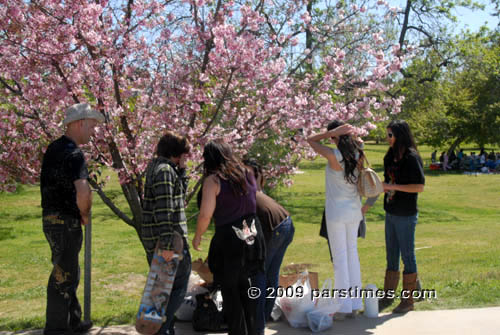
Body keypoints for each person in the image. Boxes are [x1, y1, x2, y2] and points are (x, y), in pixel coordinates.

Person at [40, 103, 104, 335]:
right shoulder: (74, 153)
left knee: (68, 270)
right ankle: (56, 329)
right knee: (63, 274)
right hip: (66, 220)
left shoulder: (54, 148)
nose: (93, 131)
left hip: (50, 219)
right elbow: (83, 190)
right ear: (79, 123)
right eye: (92, 125)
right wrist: (85, 214)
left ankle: (73, 322)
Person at [193, 141, 265, 335]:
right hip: (251, 234)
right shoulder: (246, 173)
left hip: (230, 240)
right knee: (246, 289)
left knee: (230, 292)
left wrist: (198, 236)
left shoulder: (213, 181)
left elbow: (205, 215)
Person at [306, 120, 369, 320]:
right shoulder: (358, 154)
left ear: (334, 137)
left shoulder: (334, 155)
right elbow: (359, 142)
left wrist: (332, 132)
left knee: (341, 259)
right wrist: (344, 134)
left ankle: (344, 306)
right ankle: (355, 303)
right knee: (352, 256)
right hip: (353, 212)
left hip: (337, 214)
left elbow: (309, 140)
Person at [141, 131, 192, 335]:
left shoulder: (161, 168)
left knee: (162, 289)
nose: (186, 158)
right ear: (176, 153)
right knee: (178, 285)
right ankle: (160, 327)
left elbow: (178, 195)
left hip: (162, 240)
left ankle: (164, 328)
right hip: (168, 241)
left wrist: (182, 172)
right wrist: (168, 247)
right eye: (184, 154)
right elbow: (164, 211)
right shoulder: (164, 172)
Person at [244, 159, 295, 334]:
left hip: (276, 229)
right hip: (286, 224)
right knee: (270, 273)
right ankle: (262, 320)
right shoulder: (254, 193)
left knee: (259, 273)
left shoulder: (245, 195)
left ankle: (257, 326)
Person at [379, 120, 425, 314]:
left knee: (407, 255)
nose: (387, 138)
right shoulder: (390, 156)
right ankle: (388, 294)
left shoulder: (411, 157)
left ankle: (408, 301)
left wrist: (391, 187)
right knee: (391, 254)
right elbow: (387, 181)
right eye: (387, 134)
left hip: (405, 214)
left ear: (400, 135)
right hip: (391, 211)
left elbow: (419, 187)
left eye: (390, 135)